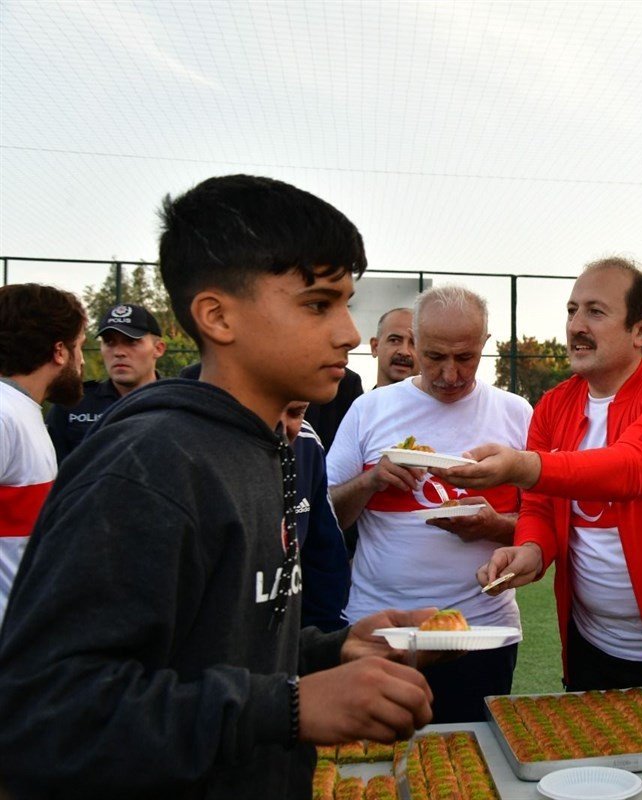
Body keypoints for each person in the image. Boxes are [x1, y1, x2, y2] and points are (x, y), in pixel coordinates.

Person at [0, 175, 434, 799]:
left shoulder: (262, 445)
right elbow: (45, 714)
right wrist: (287, 707)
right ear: (217, 316)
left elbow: (222, 648)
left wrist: (334, 650)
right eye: (318, 303)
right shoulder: (148, 467)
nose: (346, 332)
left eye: (347, 303)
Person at [440, 257, 642, 711]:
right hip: (592, 647)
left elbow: (633, 468)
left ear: (641, 331)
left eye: (595, 312)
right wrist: (531, 550)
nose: (576, 325)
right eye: (571, 311)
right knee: (599, 776)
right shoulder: (553, 406)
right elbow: (541, 507)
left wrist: (523, 465)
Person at [328, 285, 531, 723]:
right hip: (380, 627)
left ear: (485, 345)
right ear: (415, 340)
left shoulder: (516, 414)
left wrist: (493, 525)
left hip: (483, 631)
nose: (451, 374)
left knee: (475, 770)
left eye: (466, 358)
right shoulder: (369, 410)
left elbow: (544, 526)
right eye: (436, 356)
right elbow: (328, 517)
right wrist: (370, 481)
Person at [0, 283, 86, 625]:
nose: (82, 360)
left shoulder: (19, 411)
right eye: (79, 346)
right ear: (59, 352)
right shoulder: (5, 414)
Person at [46, 302, 166, 463]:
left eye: (131, 341)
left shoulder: (176, 404)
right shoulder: (73, 404)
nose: (118, 352)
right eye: (109, 342)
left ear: (158, 349)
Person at [281, 401, 351, 633]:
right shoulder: (187, 446)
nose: (283, 429)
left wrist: (331, 646)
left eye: (296, 412)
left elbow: (324, 561)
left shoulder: (306, 442)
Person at [370, 307, 418, 388]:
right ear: (375, 347)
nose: (404, 352)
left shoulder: (440, 400)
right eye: (394, 340)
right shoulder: (359, 401)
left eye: (414, 343)